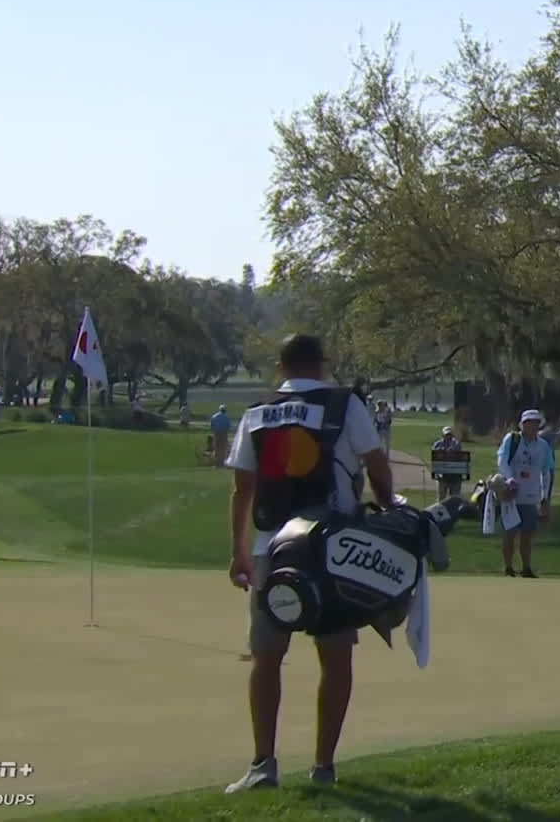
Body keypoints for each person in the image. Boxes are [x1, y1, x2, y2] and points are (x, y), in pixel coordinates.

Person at [224, 333, 394, 792]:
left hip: (271, 549)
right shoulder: (344, 404)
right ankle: (323, 767)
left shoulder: (257, 412)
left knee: (266, 658)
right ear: (322, 364)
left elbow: (244, 488)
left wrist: (239, 552)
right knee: (335, 658)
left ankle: (263, 765)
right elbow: (376, 465)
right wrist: (389, 511)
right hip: (330, 548)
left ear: (280, 366)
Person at [496, 409, 555, 577]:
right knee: (510, 533)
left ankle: (526, 567)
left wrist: (545, 498)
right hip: (511, 495)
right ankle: (508, 567)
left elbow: (546, 471)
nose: (533, 425)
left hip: (531, 496)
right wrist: (509, 479)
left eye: (536, 422)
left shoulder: (543, 445)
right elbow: (502, 460)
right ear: (522, 424)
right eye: (529, 422)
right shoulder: (512, 439)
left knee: (527, 534)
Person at [431, 425, 463, 501]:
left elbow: (457, 450)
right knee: (441, 497)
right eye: (446, 435)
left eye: (450, 434)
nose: (448, 436)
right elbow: (434, 454)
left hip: (454, 474)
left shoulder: (456, 443)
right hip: (442, 474)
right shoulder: (437, 444)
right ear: (443, 435)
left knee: (454, 498)